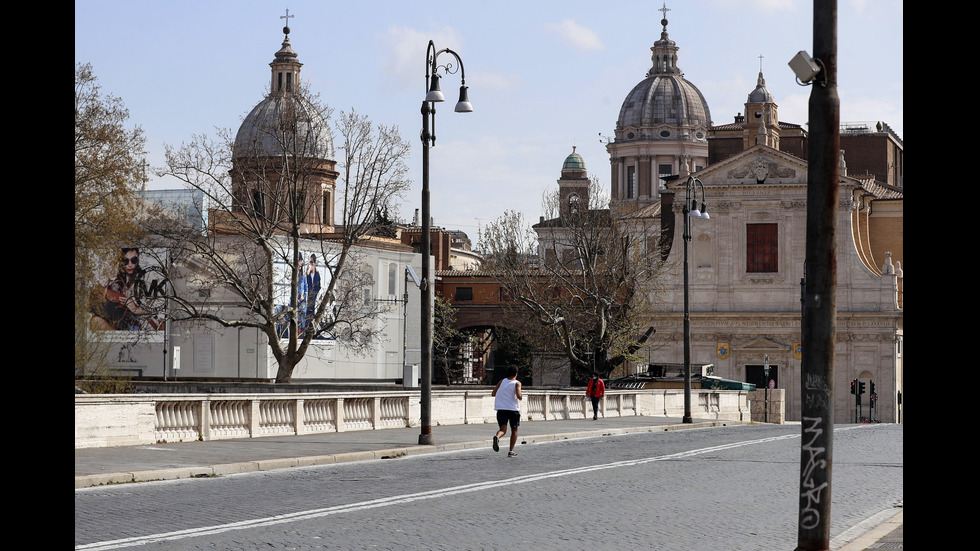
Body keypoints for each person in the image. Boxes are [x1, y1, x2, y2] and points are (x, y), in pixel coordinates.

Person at [491, 366, 522, 457]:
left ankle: (497, 437)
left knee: (503, 430)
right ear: (516, 374)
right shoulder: (517, 383)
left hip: (501, 409)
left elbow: (493, 393)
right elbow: (519, 396)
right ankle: (511, 451)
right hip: (513, 410)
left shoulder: (502, 381)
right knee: (514, 429)